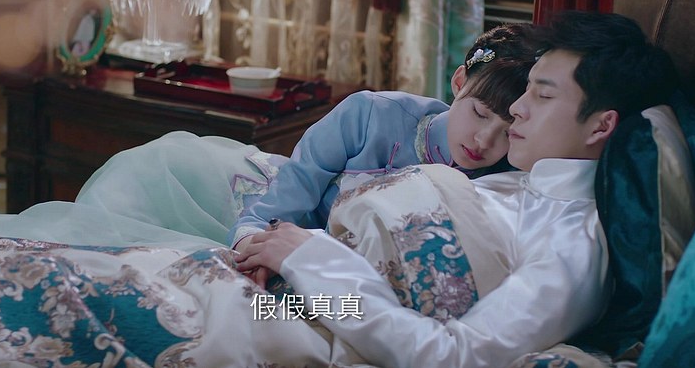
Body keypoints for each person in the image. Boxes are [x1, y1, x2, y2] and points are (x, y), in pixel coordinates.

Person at [234, 10, 679, 367]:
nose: (518, 109)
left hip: (319, 302)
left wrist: (309, 258)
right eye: (526, 92)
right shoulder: (514, 177)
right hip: (297, 281)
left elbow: (451, 355)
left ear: (601, 126)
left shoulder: (573, 242)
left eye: (542, 96)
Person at [230, 23, 541, 286]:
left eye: (507, 132)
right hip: (297, 236)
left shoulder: (509, 179)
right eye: (480, 113)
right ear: (459, 83)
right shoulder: (369, 115)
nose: (483, 141)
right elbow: (274, 209)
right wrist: (254, 253)